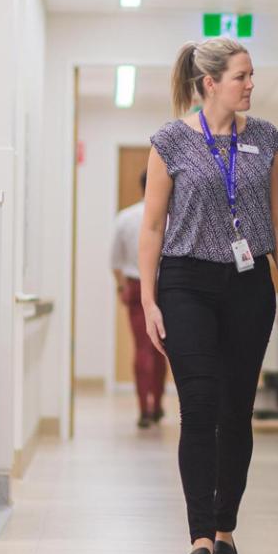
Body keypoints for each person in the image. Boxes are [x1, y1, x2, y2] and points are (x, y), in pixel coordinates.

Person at [137, 37, 278, 554]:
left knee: (236, 410)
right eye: (242, 76)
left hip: (249, 280)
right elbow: (152, 226)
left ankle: (226, 527)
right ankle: (200, 537)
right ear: (211, 83)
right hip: (186, 282)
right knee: (199, 407)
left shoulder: (266, 138)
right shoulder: (170, 141)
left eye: (252, 74)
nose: (251, 84)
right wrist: (148, 299)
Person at [111, 171, 167, 428]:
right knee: (162, 350)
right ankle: (157, 405)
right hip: (166, 287)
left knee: (142, 348)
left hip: (135, 286)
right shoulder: (171, 217)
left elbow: (115, 261)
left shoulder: (125, 217)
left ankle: (143, 408)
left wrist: (123, 287)